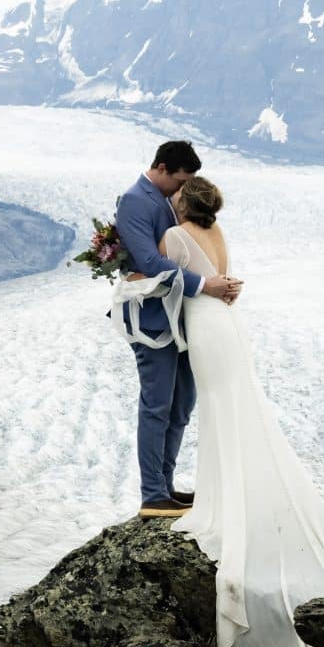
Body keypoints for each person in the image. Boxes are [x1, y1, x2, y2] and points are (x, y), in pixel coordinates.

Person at [156, 173, 324, 647]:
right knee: (234, 409)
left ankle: (221, 503)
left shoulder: (175, 235)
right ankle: (229, 495)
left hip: (207, 327)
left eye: (177, 196)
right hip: (226, 324)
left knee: (219, 411)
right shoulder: (217, 232)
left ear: (186, 201)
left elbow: (160, 277)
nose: (171, 200)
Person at [113, 140, 241, 519]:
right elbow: (150, 261)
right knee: (157, 406)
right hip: (153, 321)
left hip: (182, 320)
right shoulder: (135, 201)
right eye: (181, 180)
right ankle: (153, 493)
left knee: (182, 403)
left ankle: (165, 485)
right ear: (162, 169)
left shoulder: (166, 199)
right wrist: (205, 285)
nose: (184, 189)